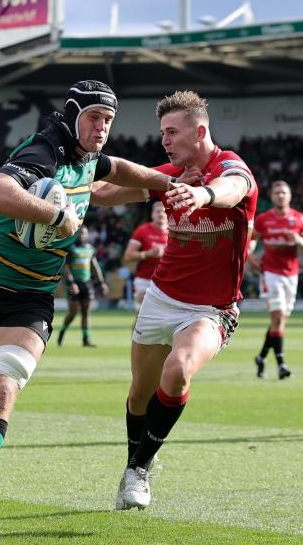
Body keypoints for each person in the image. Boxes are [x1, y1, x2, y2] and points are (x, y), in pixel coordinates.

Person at [0, 80, 198, 541]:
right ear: (70, 115)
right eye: (93, 117)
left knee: (3, 386)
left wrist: (162, 184)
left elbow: (112, 173)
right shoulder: (43, 151)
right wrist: (55, 216)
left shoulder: (85, 158)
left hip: (31, 298)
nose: (101, 128)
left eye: (108, 120)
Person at [100, 90, 258, 511]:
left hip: (212, 309)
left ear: (199, 130)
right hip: (160, 298)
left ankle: (139, 469)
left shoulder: (231, 168)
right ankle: (136, 463)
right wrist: (67, 183)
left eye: (172, 132)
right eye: (162, 133)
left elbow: (233, 188)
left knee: (179, 369)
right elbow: (103, 193)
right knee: (139, 395)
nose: (164, 140)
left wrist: (202, 195)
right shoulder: (171, 174)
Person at [251, 180, 303, 380]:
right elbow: (251, 240)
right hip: (270, 273)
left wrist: (299, 240)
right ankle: (281, 365)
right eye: (277, 192)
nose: (281, 195)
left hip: (291, 274)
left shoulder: (299, 218)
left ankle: (261, 357)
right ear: (272, 196)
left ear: (290, 196)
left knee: (280, 322)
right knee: (277, 319)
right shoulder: (263, 219)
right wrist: (250, 256)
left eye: (284, 192)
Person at [57, 226, 108, 347]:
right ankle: (62, 332)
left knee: (86, 312)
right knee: (73, 312)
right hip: (74, 284)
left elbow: (94, 266)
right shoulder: (70, 248)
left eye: (83, 233)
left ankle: (86, 339)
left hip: (86, 283)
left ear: (87, 234)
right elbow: (66, 267)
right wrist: (71, 283)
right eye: (79, 233)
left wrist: (101, 282)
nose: (81, 235)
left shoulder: (90, 249)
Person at [122, 201, 168, 311]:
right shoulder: (142, 230)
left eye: (164, 211)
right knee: (141, 316)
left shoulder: (174, 233)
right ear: (152, 214)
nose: (161, 214)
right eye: (158, 211)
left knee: (164, 318)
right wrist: (148, 253)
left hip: (167, 281)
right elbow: (128, 256)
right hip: (144, 280)